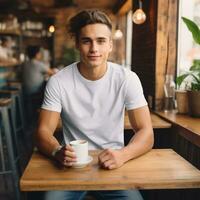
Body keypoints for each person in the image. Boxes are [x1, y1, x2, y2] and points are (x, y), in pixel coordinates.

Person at [35, 9, 154, 200]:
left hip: (113, 166)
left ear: (110, 45)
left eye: (100, 41)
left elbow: (146, 132)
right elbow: (42, 132)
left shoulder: (127, 79)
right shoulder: (58, 81)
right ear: (76, 44)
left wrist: (123, 155)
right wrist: (58, 151)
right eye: (86, 41)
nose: (94, 49)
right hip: (71, 166)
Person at [22, 45, 55, 121]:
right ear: (37, 54)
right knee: (50, 90)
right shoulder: (37, 64)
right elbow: (52, 73)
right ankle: (45, 116)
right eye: (40, 53)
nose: (41, 55)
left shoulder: (25, 63)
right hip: (36, 91)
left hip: (25, 90)